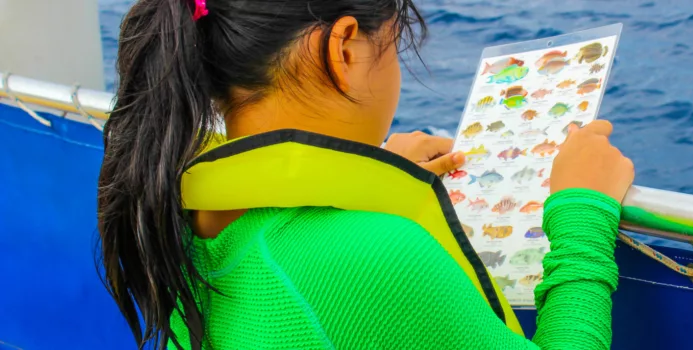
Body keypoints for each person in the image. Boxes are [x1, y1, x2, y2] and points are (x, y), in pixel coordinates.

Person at [96, 0, 634, 349]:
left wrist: (370, 177)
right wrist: (582, 212)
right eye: (395, 46)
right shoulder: (373, 256)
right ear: (344, 46)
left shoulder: (179, 203)